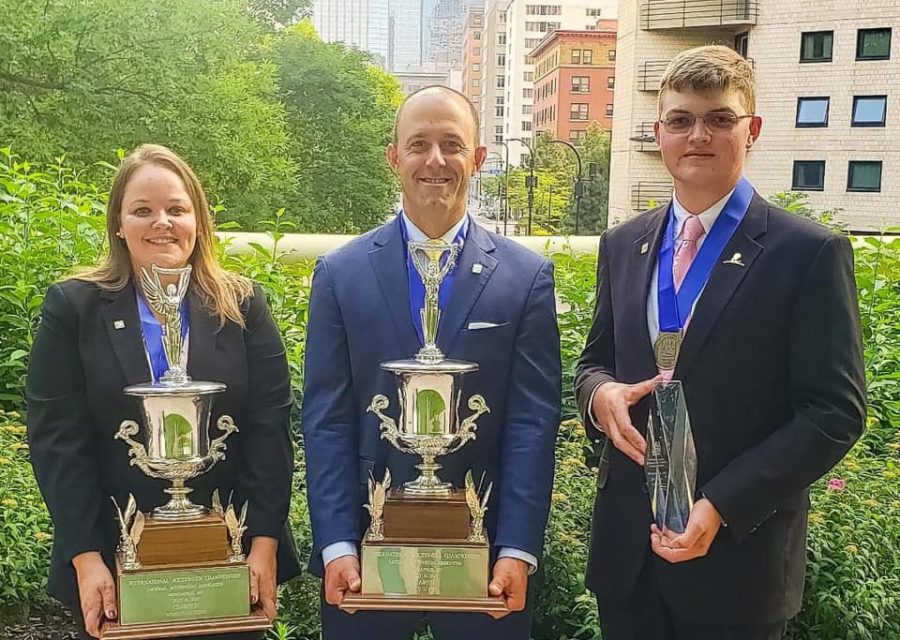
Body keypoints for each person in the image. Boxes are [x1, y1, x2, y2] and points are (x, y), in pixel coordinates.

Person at [575, 46, 866, 640]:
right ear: (660, 133)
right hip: (628, 559)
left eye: (719, 119)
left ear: (751, 129)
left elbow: (835, 413)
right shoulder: (622, 244)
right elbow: (594, 362)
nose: (697, 135)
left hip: (739, 563)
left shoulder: (806, 253)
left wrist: (722, 504)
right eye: (680, 120)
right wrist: (600, 395)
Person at [302, 86, 561, 640]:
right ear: (394, 157)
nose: (435, 160)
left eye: (452, 144)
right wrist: (336, 544)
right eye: (418, 144)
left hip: (486, 557)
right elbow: (326, 419)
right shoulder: (339, 275)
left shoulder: (526, 278)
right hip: (365, 560)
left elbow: (532, 424)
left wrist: (516, 548)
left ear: (479, 158)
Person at [26, 144, 300, 639]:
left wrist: (263, 547)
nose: (162, 223)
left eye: (177, 209)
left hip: (228, 557)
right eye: (143, 210)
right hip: (115, 560)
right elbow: (57, 442)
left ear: (199, 221)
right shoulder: (74, 307)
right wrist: (87, 559)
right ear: (118, 223)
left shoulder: (242, 306)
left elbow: (270, 432)